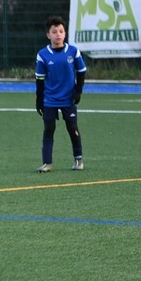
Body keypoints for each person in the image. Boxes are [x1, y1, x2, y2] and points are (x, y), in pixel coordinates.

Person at [35, 16, 87, 173]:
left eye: (61, 31)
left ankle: (78, 159)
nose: (58, 34)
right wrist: (39, 100)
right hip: (50, 99)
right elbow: (40, 79)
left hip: (68, 98)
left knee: (72, 127)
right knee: (49, 129)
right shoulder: (43, 55)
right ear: (48, 35)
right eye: (54, 31)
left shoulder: (73, 51)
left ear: (65, 34)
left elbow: (81, 72)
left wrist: (78, 92)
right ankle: (47, 163)